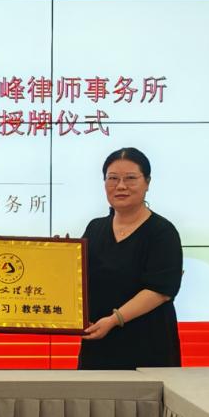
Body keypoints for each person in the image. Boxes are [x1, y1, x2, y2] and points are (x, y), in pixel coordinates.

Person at [78, 147, 183, 370]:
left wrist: (114, 320)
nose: (121, 186)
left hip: (148, 345)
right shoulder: (95, 228)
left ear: (147, 182)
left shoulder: (162, 232)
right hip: (98, 342)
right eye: (113, 178)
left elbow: (160, 290)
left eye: (130, 178)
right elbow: (80, 279)